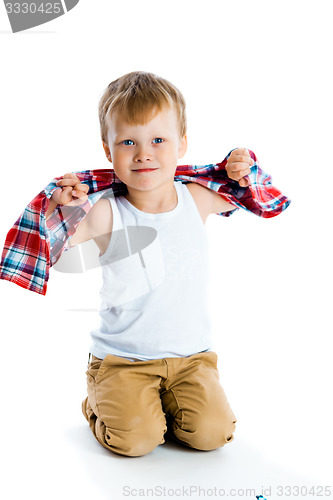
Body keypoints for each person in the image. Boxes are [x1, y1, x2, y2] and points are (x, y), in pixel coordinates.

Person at [45, 71, 257, 457]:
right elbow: (57, 244)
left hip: (192, 358)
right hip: (124, 359)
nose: (144, 153)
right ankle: (100, 401)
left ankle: (163, 406)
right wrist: (63, 208)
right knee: (135, 442)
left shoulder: (197, 198)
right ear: (109, 152)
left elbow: (248, 194)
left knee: (212, 435)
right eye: (128, 142)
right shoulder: (108, 212)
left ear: (182, 144)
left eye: (158, 140)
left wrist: (243, 169)